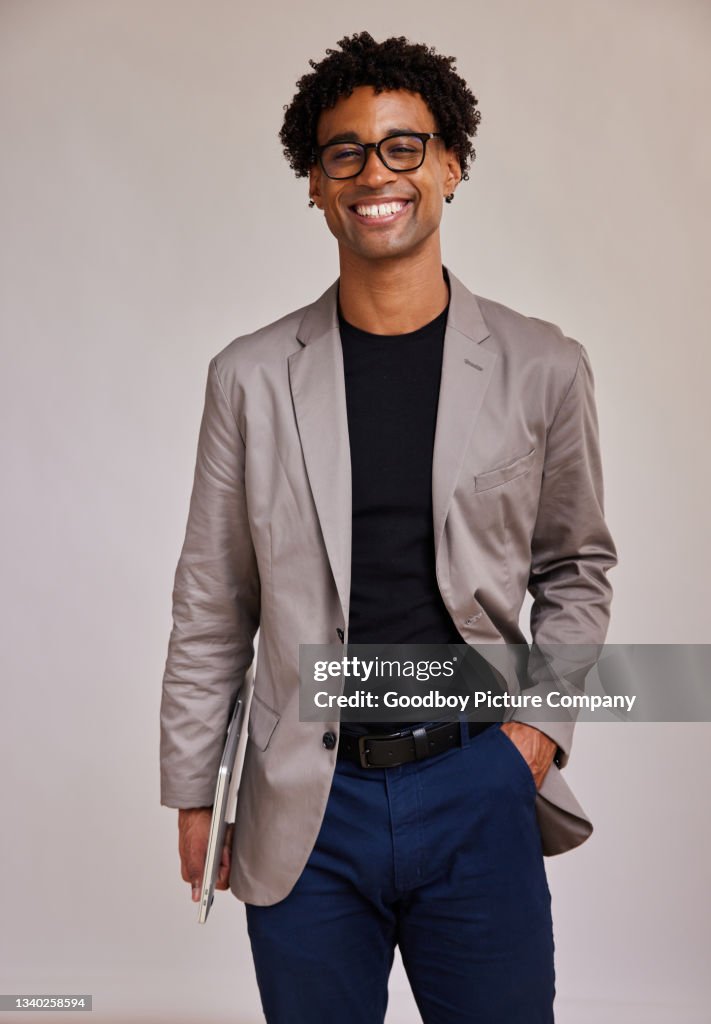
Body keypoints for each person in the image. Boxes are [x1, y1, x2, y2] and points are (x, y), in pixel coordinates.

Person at [160, 31, 617, 1024]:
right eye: (347, 152)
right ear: (317, 186)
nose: (378, 172)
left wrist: (536, 733)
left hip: (475, 782)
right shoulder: (248, 378)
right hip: (305, 809)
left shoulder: (544, 367)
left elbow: (577, 563)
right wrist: (197, 789)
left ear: (451, 165)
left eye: (405, 146)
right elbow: (212, 597)